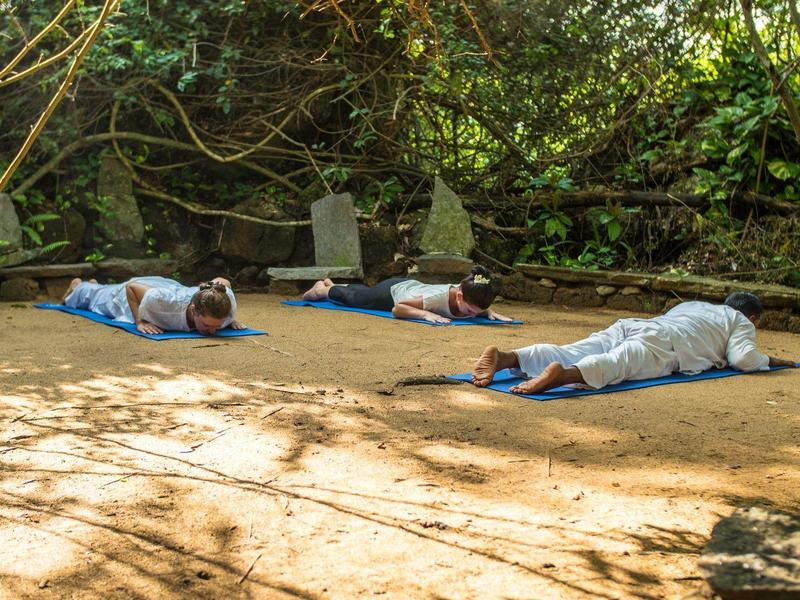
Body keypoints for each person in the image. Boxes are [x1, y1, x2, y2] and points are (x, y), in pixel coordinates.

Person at [471, 291, 796, 394]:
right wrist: (771, 361)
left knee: (579, 347)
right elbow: (743, 358)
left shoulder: (695, 305)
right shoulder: (739, 320)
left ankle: (509, 357)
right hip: (669, 344)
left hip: (639, 325)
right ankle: (565, 376)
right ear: (751, 317)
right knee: (619, 363)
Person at [301, 265, 513, 324]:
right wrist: (425, 315)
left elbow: (477, 304)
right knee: (355, 299)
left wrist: (488, 311)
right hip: (392, 293)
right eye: (469, 310)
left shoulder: (470, 291)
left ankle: (332, 283)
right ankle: (322, 288)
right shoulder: (436, 299)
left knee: (363, 292)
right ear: (459, 297)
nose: (473, 314)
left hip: (411, 287)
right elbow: (398, 308)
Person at [61, 276, 246, 335]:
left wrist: (229, 321)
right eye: (207, 326)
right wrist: (139, 321)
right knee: (99, 300)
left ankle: (93, 286)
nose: (213, 332)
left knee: (100, 292)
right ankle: (80, 286)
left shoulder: (226, 306)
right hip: (136, 294)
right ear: (193, 311)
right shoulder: (164, 302)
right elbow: (131, 288)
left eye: (217, 326)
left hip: (164, 286)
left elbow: (222, 281)